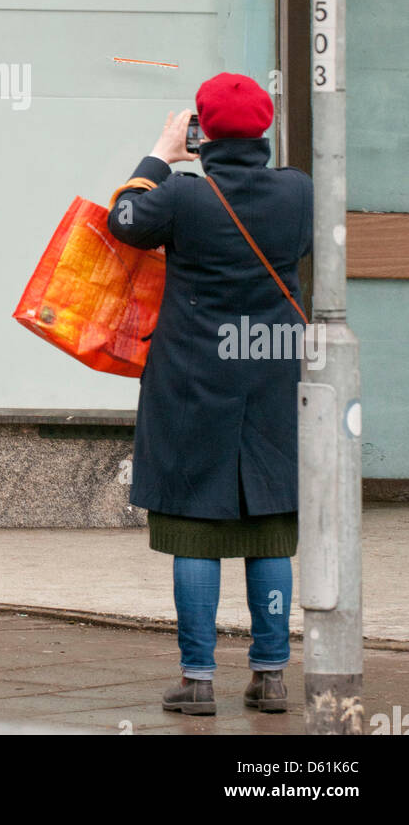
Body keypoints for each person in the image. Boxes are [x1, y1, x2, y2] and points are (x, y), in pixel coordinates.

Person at [107, 73, 313, 716]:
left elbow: (123, 221)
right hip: (272, 373)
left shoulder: (183, 198)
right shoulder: (297, 190)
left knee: (196, 526)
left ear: (203, 131)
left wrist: (160, 154)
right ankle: (271, 676)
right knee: (270, 527)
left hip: (192, 376)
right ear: (265, 128)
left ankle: (198, 680)